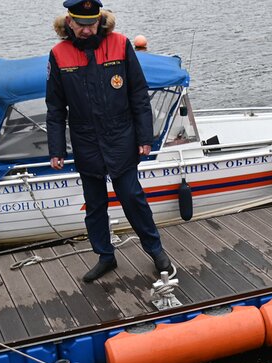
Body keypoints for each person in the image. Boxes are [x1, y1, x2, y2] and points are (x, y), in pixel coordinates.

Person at [47, 0, 172, 283]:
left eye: (92, 24)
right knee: (94, 205)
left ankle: (156, 250)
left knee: (132, 197)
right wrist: (56, 148)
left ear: (99, 20)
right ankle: (105, 256)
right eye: (82, 25)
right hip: (86, 141)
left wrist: (145, 137)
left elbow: (138, 93)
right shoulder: (59, 54)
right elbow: (55, 108)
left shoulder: (120, 44)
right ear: (70, 22)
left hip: (121, 138)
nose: (88, 31)